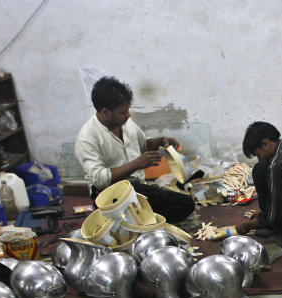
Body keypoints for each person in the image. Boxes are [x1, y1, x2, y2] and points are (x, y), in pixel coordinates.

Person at [74, 76, 194, 223]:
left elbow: (143, 143)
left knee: (184, 201)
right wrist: (137, 164)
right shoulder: (87, 137)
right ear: (105, 112)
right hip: (110, 193)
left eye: (128, 110)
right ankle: (129, 220)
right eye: (123, 112)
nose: (128, 115)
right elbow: (100, 180)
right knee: (179, 204)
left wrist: (161, 141)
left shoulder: (125, 122)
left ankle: (135, 219)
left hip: (136, 187)